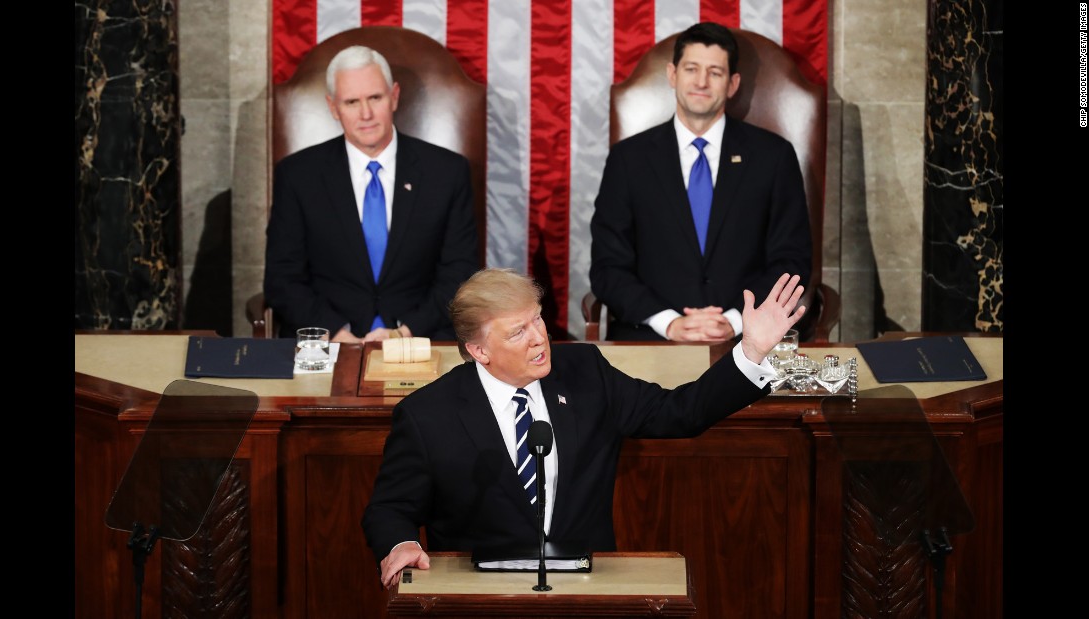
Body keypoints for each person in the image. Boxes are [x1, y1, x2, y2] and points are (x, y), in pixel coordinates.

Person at [361, 267, 805, 587]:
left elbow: (681, 412)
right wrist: (399, 544)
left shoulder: (585, 372)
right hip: (483, 593)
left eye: (538, 319)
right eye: (518, 332)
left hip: (588, 587)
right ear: (479, 350)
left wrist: (750, 351)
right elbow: (390, 508)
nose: (539, 337)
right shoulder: (428, 414)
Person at [589, 22, 812, 342]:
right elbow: (608, 267)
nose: (701, 82)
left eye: (715, 72)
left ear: (733, 84)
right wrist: (669, 323)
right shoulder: (628, 160)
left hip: (748, 340)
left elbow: (791, 260)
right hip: (652, 339)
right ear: (672, 74)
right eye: (691, 68)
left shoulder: (773, 157)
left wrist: (737, 320)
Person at [264, 45, 480, 342]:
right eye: (351, 101)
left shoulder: (446, 172)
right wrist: (335, 332)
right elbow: (282, 278)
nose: (365, 114)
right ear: (333, 107)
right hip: (328, 341)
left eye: (375, 98)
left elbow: (460, 273)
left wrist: (405, 332)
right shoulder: (298, 175)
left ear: (394, 96)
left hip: (420, 338)